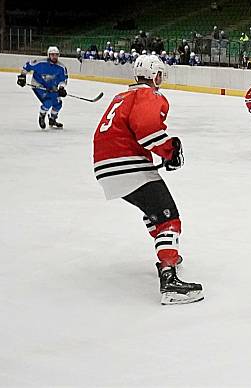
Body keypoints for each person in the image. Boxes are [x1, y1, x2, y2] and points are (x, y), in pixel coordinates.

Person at [92, 55, 203, 305]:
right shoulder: (149, 96)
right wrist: (169, 150)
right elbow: (148, 130)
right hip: (126, 165)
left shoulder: (121, 97)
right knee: (168, 218)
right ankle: (169, 280)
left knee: (152, 211)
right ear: (156, 75)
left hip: (105, 166)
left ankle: (168, 253)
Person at [17, 46, 69, 129]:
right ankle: (42, 116)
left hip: (51, 87)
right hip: (38, 85)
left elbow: (63, 80)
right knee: (48, 102)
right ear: (48, 55)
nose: (54, 57)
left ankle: (52, 119)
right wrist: (22, 76)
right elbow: (27, 66)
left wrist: (61, 88)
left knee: (58, 104)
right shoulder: (40, 63)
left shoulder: (61, 68)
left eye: (56, 55)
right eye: (52, 55)